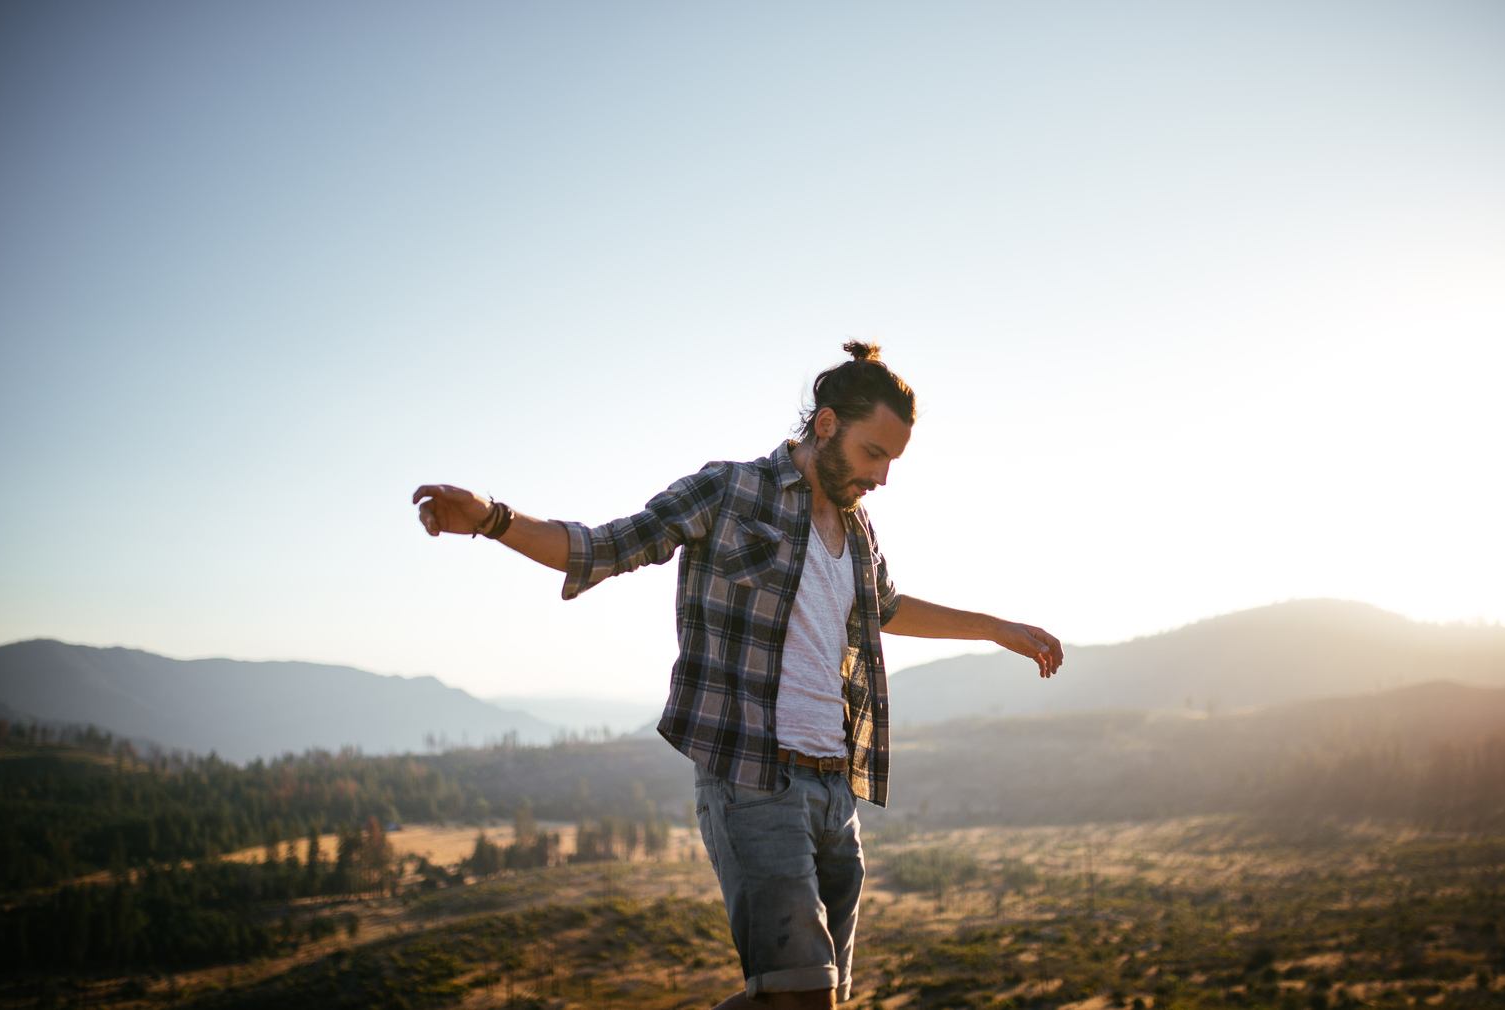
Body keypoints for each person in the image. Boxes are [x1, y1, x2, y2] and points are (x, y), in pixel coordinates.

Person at [412, 342, 1062, 1009]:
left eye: (892, 462)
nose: (883, 478)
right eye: (874, 454)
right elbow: (603, 546)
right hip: (753, 779)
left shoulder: (860, 529)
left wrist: (994, 627)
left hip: (836, 789)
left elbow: (885, 607)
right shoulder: (728, 490)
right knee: (801, 996)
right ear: (828, 425)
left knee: (816, 999)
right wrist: (493, 519)